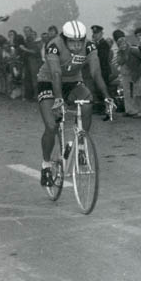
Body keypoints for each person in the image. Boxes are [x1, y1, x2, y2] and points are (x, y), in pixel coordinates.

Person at [37, 21, 114, 186]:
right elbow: (56, 73)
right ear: (64, 39)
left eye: (80, 41)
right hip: (49, 81)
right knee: (51, 126)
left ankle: (81, 145)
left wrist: (107, 96)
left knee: (87, 102)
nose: (76, 45)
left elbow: (95, 72)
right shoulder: (54, 45)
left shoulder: (90, 47)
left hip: (73, 82)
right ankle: (46, 165)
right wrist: (58, 100)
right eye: (72, 42)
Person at [114, 29, 141, 117]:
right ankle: (131, 110)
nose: (122, 46)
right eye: (120, 45)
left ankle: (139, 110)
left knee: (138, 93)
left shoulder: (133, 50)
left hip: (136, 73)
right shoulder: (120, 53)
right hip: (129, 74)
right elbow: (119, 62)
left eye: (123, 44)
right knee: (130, 93)